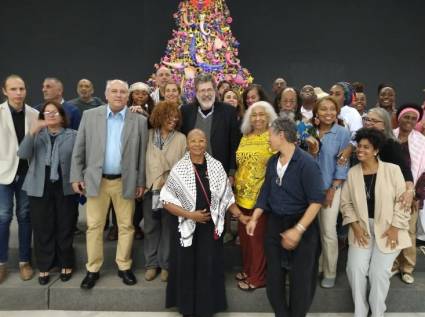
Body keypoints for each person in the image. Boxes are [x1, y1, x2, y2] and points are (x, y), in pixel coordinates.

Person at [160, 129, 249, 317]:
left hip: (210, 228)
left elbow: (227, 198)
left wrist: (241, 217)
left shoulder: (216, 166)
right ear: (188, 144)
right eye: (193, 141)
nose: (198, 144)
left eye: (201, 141)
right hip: (186, 226)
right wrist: (191, 215)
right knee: (187, 266)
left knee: (208, 265)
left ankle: (208, 307)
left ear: (206, 143)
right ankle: (187, 307)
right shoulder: (179, 168)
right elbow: (166, 201)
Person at [70, 79, 148, 289]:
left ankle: (124, 266)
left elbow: (142, 155)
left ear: (127, 96)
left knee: (126, 226)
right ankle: (93, 269)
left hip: (125, 181)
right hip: (97, 181)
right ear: (106, 94)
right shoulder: (90, 116)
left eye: (123, 92)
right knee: (94, 227)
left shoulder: (139, 121)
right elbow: (80, 149)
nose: (119, 95)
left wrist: (141, 181)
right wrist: (76, 176)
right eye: (114, 91)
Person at [246, 117, 324, 317]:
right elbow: (265, 192)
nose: (268, 140)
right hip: (275, 224)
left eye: (270, 135)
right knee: (274, 280)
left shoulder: (307, 163)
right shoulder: (273, 161)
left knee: (301, 282)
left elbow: (316, 201)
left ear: (281, 135)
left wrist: (298, 230)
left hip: (302, 226)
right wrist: (255, 217)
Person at [341, 128, 411, 317]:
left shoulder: (392, 170)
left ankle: (377, 311)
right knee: (354, 269)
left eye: (366, 147)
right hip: (361, 230)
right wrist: (354, 226)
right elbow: (346, 203)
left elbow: (403, 204)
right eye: (359, 146)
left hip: (389, 229)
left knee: (378, 273)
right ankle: (360, 310)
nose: (360, 150)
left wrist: (395, 228)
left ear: (376, 150)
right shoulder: (352, 173)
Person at [18, 101, 77, 285]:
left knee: (65, 225)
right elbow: (23, 153)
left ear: (62, 115)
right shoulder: (37, 134)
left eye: (55, 112)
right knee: (42, 227)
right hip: (39, 186)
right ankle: (44, 266)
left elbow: (79, 160)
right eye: (47, 112)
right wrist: (32, 131)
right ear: (42, 116)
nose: (51, 115)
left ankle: (66, 263)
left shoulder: (73, 135)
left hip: (65, 185)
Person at [234, 101, 277, 291]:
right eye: (254, 114)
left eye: (262, 114)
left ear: (269, 117)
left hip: (260, 198)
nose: (258, 118)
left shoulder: (273, 136)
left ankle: (258, 277)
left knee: (257, 239)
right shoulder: (244, 136)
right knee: (245, 239)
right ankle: (249, 269)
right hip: (241, 196)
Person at [0, 75, 38, 284]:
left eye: (21, 89)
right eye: (13, 89)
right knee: (3, 218)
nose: (18, 93)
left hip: (26, 174)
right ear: (5, 91)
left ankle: (25, 262)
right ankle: (1, 264)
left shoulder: (34, 114)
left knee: (25, 217)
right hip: (2, 175)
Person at [143, 101, 186, 282]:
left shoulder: (181, 138)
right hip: (150, 188)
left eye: (176, 116)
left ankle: (166, 265)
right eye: (169, 116)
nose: (174, 119)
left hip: (171, 191)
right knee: (151, 227)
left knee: (169, 228)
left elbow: (185, 166)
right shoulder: (148, 135)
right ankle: (151, 264)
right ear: (159, 116)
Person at [312, 96, 351, 288]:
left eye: (332, 109)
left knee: (328, 231)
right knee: (316, 231)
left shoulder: (342, 133)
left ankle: (330, 272)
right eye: (323, 109)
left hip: (331, 189)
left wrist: (333, 189)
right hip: (310, 191)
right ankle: (320, 265)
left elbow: (342, 165)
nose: (328, 113)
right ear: (316, 113)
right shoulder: (310, 131)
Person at [180, 73, 240, 181]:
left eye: (209, 90)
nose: (206, 94)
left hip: (220, 173)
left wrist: (231, 172)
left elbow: (234, 144)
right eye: (202, 90)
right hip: (191, 174)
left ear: (215, 91)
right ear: (196, 92)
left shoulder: (228, 111)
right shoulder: (185, 111)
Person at [392, 103, 425, 284]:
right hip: (390, 191)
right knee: (392, 228)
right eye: (406, 117)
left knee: (409, 231)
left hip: (411, 194)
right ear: (399, 117)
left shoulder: (421, 141)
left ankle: (407, 267)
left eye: (414, 118)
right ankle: (394, 264)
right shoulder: (390, 136)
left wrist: (416, 196)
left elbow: (424, 172)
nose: (410, 121)